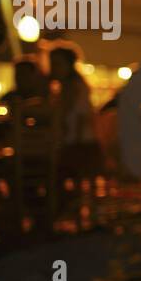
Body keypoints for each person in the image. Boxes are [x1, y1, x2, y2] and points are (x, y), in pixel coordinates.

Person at [49, 46, 103, 200]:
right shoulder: (66, 88)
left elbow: (81, 119)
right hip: (77, 145)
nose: (53, 69)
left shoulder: (76, 88)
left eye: (57, 64)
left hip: (80, 146)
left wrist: (68, 146)